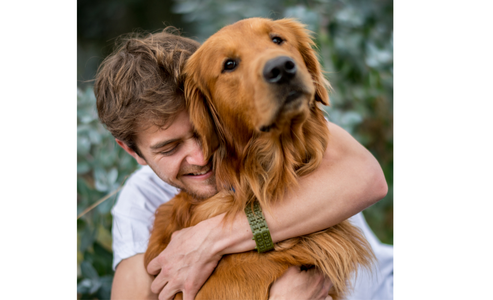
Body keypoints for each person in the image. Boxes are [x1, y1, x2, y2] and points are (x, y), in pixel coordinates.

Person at [94, 29, 393, 300]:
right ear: (132, 151)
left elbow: (368, 179)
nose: (201, 156)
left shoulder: (276, 129)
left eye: (206, 130)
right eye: (170, 148)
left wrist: (214, 237)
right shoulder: (142, 200)